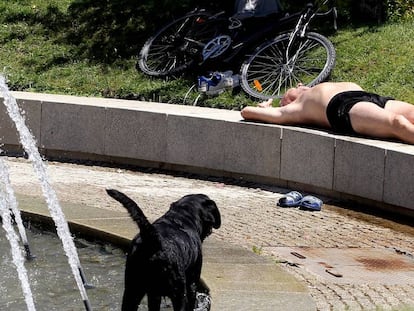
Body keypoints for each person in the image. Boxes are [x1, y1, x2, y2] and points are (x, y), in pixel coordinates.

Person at [240, 82, 414, 144]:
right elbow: (246, 112)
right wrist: (264, 109)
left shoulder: (313, 89)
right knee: (397, 123)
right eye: (291, 89)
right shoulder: (294, 109)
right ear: (287, 100)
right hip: (344, 107)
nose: (297, 85)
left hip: (369, 98)